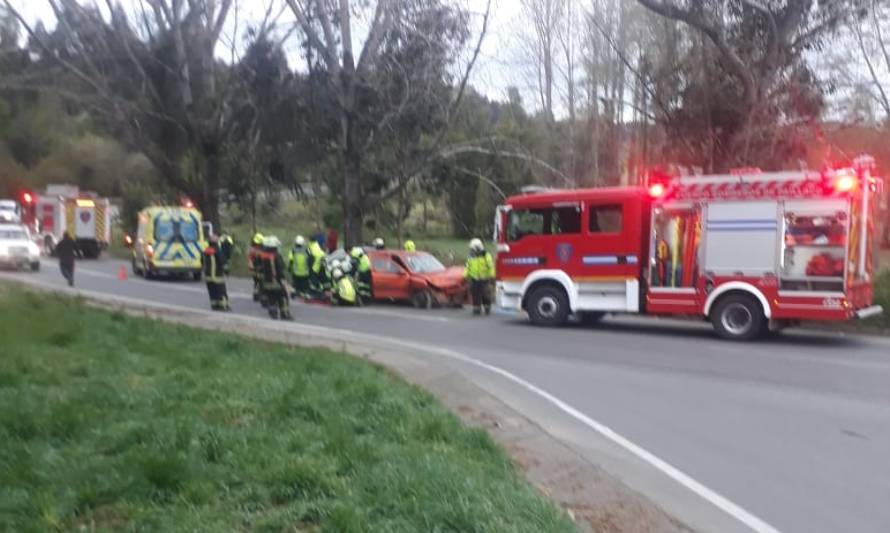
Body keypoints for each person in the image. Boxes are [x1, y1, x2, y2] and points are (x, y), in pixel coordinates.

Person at [258, 236, 292, 320]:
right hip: (276, 282)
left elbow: (260, 268)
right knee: (283, 297)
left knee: (271, 298)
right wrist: (284, 279)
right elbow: (280, 268)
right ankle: (284, 314)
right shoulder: (276, 256)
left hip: (266, 282)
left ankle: (273, 313)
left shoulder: (262, 256)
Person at [464, 238, 495, 315]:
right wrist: (465, 276)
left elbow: (491, 266)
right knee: (475, 294)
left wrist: (492, 275)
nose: (472, 250)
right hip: (474, 279)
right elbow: (467, 267)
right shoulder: (471, 256)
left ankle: (487, 307)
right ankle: (476, 309)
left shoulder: (486, 255)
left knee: (486, 294)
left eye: (473, 248)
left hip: (484, 279)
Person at [203, 235, 230, 311]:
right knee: (221, 292)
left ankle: (214, 305)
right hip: (217, 276)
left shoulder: (205, 251)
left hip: (208, 277)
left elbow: (202, 262)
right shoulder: (217, 251)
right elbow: (223, 262)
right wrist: (226, 271)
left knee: (212, 292)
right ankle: (223, 306)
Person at [287, 235, 311, 299]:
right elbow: (310, 259)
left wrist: (289, 268)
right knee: (305, 285)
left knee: (295, 284)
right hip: (305, 272)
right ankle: (305, 293)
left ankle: (295, 293)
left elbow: (290, 260)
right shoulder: (307, 250)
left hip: (296, 272)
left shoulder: (292, 250)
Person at [248, 232, 264, 302]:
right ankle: (257, 293)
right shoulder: (252, 248)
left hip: (261, 266)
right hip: (256, 266)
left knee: (261, 281)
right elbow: (250, 258)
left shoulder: (263, 248)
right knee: (257, 281)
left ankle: (259, 293)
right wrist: (250, 264)